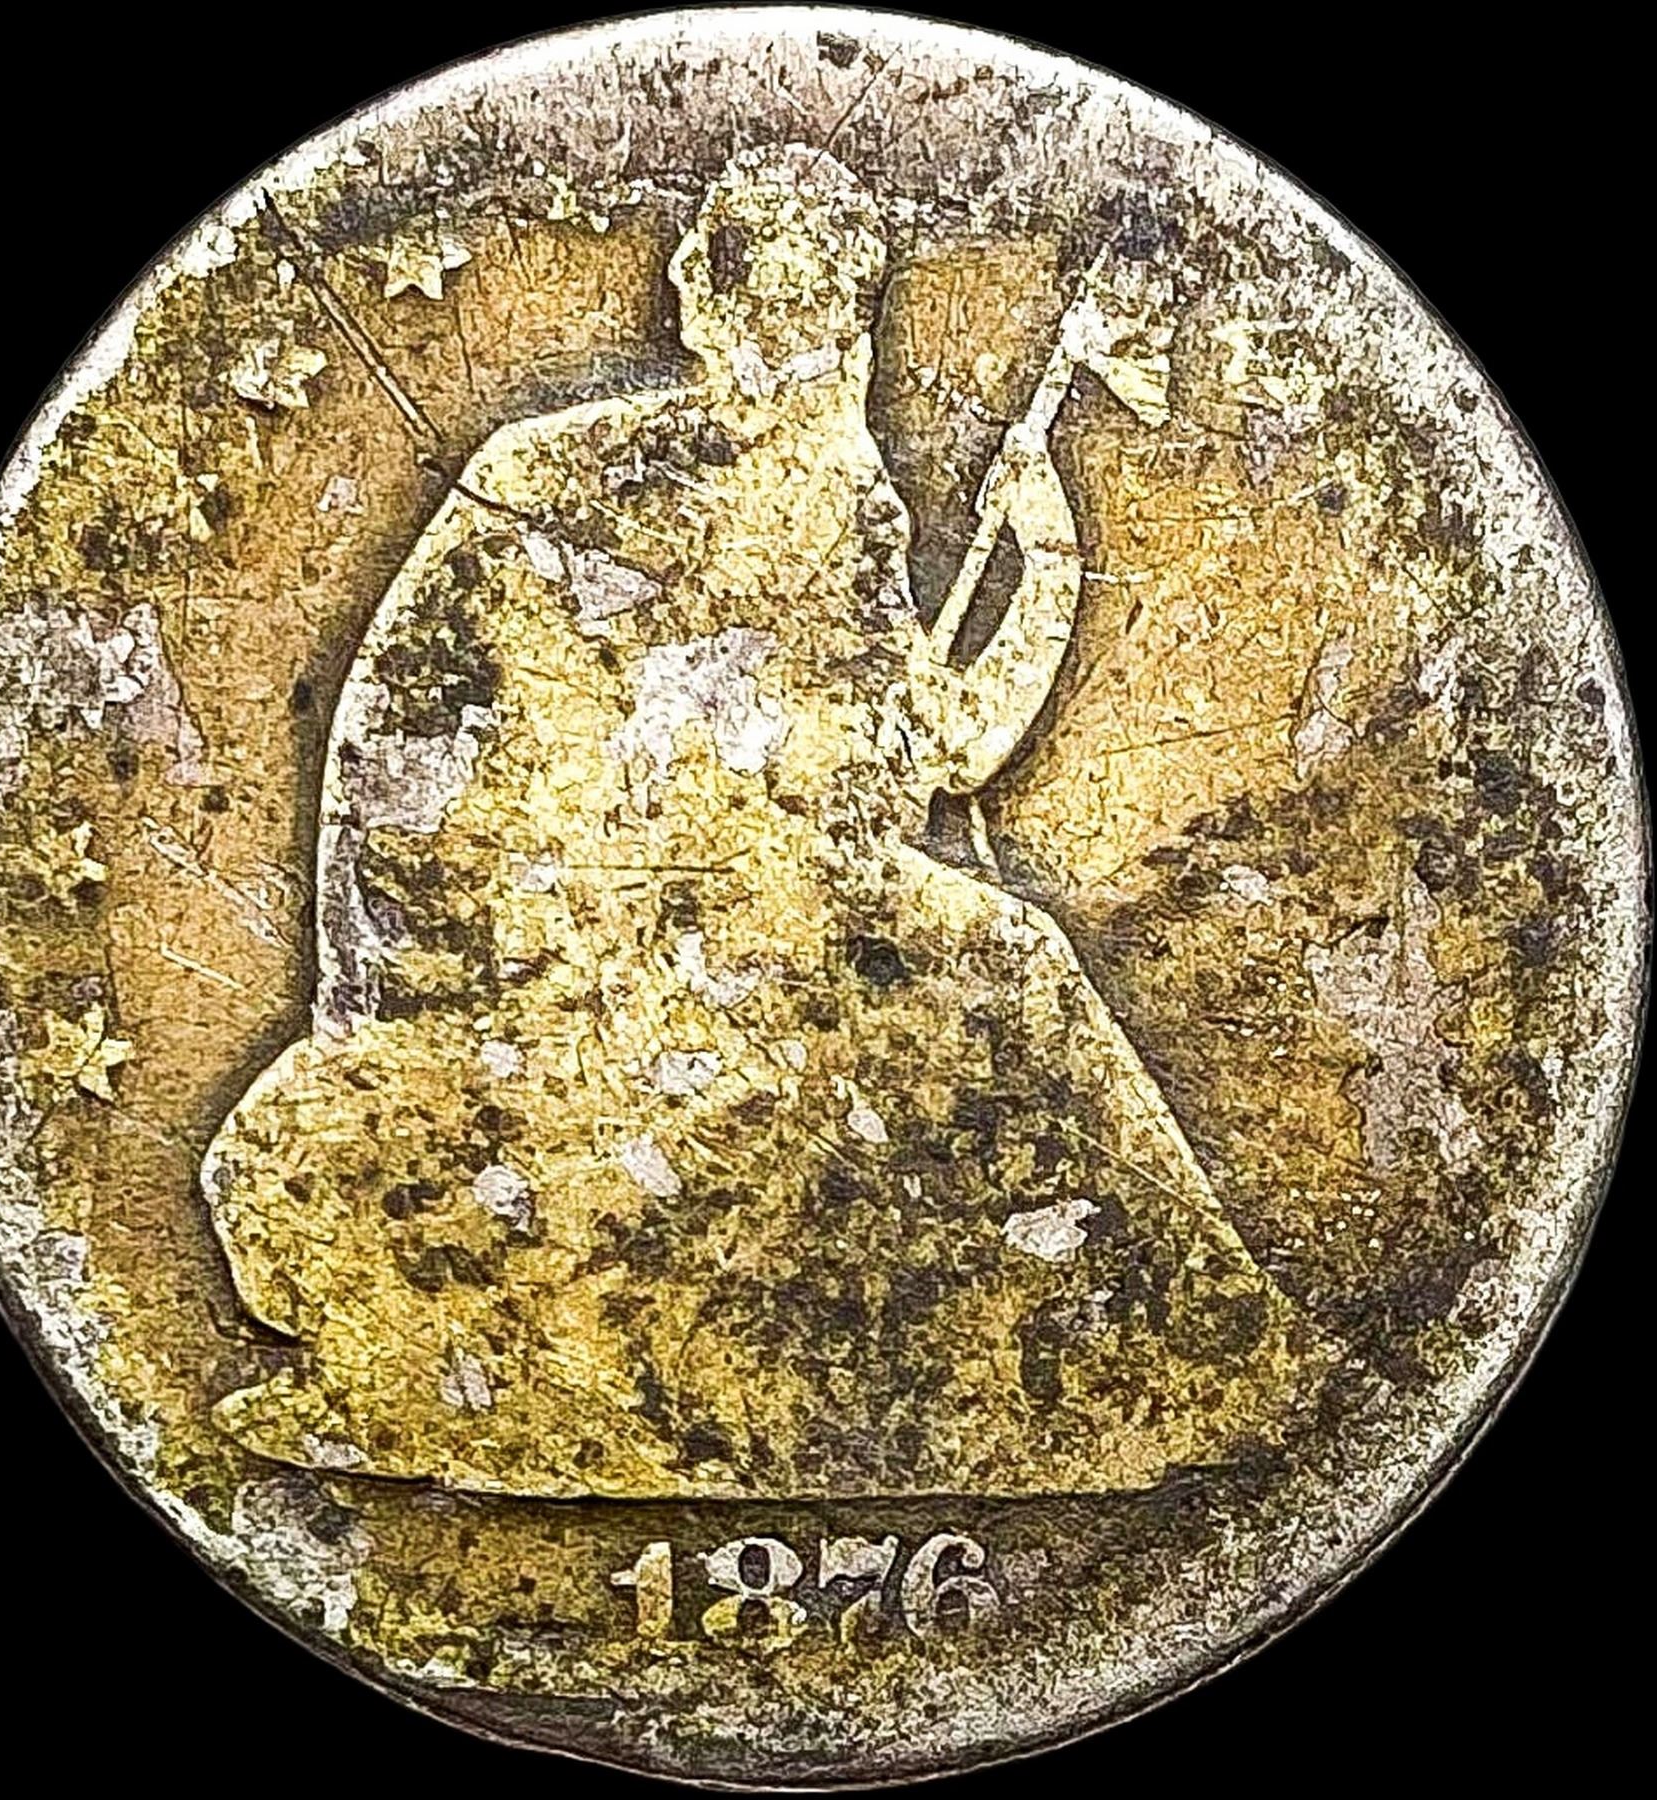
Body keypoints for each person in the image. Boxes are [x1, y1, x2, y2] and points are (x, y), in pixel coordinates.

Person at [204, 144, 1315, 1499]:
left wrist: (1049, 563)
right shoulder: (552, 482)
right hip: (565, 977)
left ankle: (1193, 1373)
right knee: (1004, 964)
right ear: (704, 301)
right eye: (783, 313)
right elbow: (413, 794)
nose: (809, 357)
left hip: (741, 940)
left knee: (999, 962)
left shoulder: (826, 492)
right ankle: (1204, 1374)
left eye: (830, 320)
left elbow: (933, 760)